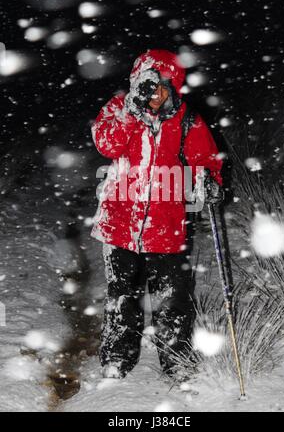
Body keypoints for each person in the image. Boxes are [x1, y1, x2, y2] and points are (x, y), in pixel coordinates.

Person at [91, 49, 223, 379]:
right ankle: (116, 359)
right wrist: (130, 113)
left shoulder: (187, 120)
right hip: (119, 222)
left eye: (163, 87)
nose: (156, 94)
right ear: (137, 84)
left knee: (172, 298)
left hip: (167, 225)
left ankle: (175, 361)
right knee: (120, 296)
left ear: (173, 88)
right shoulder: (118, 109)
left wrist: (210, 182)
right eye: (149, 86)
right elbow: (106, 145)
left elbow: (207, 161)